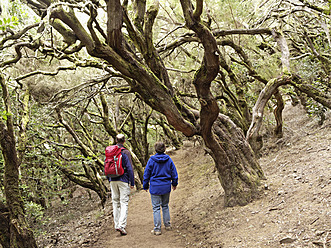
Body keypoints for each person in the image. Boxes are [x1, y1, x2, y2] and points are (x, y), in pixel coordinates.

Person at [143, 141, 178, 236]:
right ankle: (168, 225)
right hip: (166, 186)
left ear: (155, 149)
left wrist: (145, 186)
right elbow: (174, 173)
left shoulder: (151, 160)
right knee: (165, 205)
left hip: (155, 187)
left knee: (156, 208)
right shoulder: (168, 159)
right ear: (164, 149)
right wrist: (174, 183)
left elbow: (146, 174)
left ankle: (157, 229)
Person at [108, 134, 135, 236]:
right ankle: (121, 225)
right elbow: (129, 168)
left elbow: (106, 166)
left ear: (116, 141)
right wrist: (132, 182)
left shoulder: (110, 152)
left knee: (115, 202)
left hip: (112, 180)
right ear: (124, 141)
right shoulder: (125, 152)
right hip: (123, 180)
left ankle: (116, 224)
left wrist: (109, 179)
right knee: (124, 202)